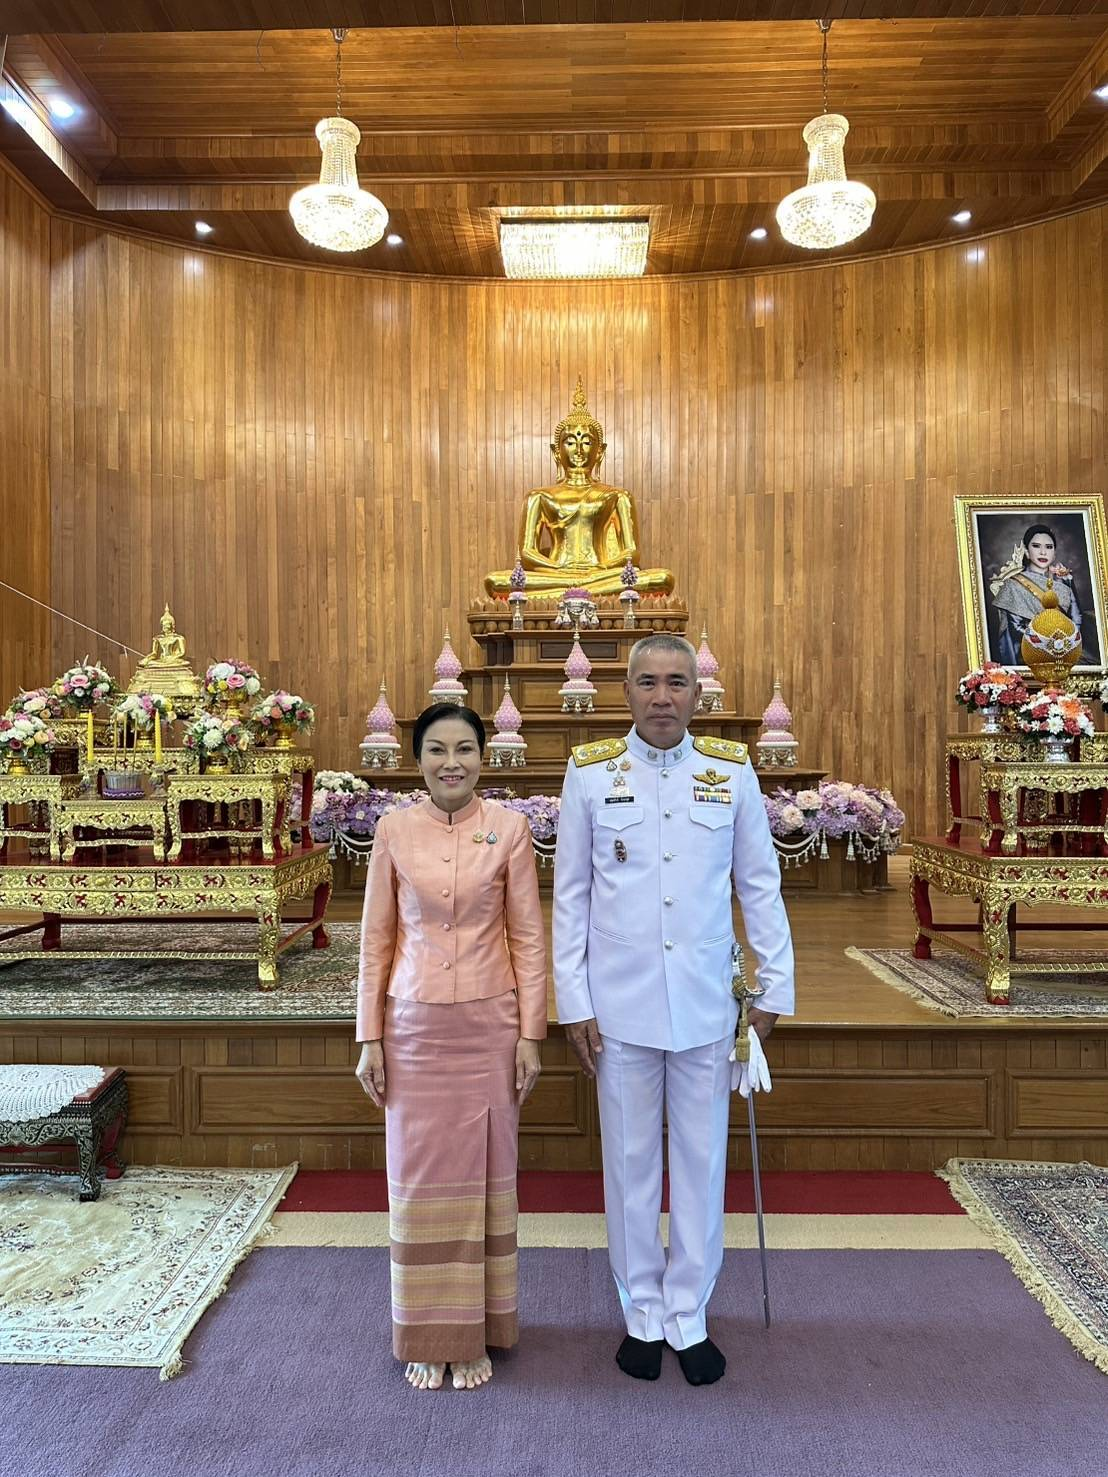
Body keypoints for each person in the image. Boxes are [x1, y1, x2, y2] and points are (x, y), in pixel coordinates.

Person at [553, 633, 794, 1386]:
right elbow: (570, 896)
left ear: (697, 693)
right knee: (629, 1165)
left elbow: (759, 884)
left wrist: (773, 988)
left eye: (677, 682)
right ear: (626, 691)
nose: (663, 697)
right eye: (649, 682)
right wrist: (573, 1000)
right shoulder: (591, 773)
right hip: (618, 1005)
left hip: (705, 1003)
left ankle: (688, 1313)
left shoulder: (732, 770)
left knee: (699, 1161)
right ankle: (641, 1313)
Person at [354, 703, 547, 1393]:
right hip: (412, 1028)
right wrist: (369, 1035)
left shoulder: (510, 829)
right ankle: (426, 1334)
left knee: (486, 1177)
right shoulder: (392, 830)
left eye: (465, 748)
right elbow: (375, 940)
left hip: (490, 1028)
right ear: (418, 759)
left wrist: (531, 1034)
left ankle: (476, 1334)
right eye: (437, 749)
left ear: (483, 758)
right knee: (418, 1179)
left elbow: (528, 937)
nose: (451, 762)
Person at [990, 523, 1091, 665]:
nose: (1043, 552)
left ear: (1054, 553)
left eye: (1049, 547)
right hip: (1032, 650)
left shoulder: (1063, 581)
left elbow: (1076, 618)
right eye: (1036, 546)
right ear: (1026, 551)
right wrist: (1047, 642)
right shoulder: (1013, 585)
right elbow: (1016, 628)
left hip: (1066, 647)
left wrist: (1067, 642)